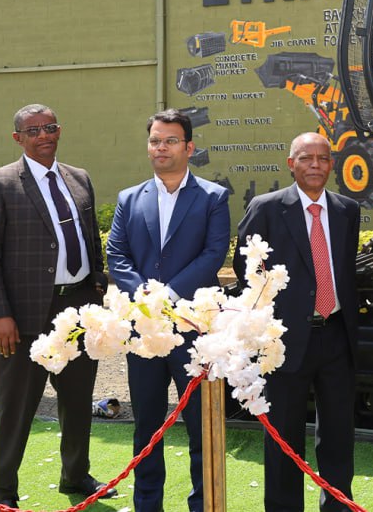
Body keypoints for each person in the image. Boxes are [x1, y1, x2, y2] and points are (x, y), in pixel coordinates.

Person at [0, 103, 116, 508]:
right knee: (14, 408)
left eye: (49, 127)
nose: (43, 136)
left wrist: (97, 280)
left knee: (77, 401)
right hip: (22, 317)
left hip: (78, 310)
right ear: (17, 138)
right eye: (33, 131)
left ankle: (75, 475)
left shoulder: (79, 178)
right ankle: (4, 492)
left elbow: (90, 236)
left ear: (59, 130)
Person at [106, 109, 231, 512]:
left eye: (170, 141)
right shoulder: (129, 198)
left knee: (199, 425)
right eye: (155, 140)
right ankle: (147, 504)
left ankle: (203, 504)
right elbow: (117, 255)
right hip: (143, 331)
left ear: (189, 147)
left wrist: (168, 295)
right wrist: (146, 297)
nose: (161, 147)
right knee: (147, 425)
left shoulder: (213, 197)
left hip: (194, 329)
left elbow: (213, 254)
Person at [233, 132, 360, 512]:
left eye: (323, 158)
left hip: (337, 335)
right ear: (291, 164)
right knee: (283, 436)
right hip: (285, 340)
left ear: (331, 165)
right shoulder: (266, 208)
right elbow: (246, 270)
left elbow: (344, 270)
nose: (315, 165)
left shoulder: (347, 210)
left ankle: (338, 505)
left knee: (338, 434)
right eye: (306, 158)